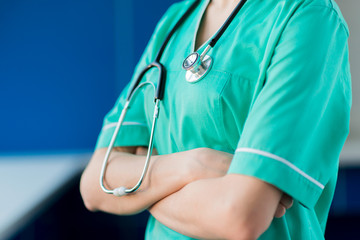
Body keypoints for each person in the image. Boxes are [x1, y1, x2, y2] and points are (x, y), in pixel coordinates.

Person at [80, 0, 352, 239]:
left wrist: (141, 194)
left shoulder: (308, 16)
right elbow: (95, 184)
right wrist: (195, 165)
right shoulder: (176, 20)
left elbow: (239, 216)